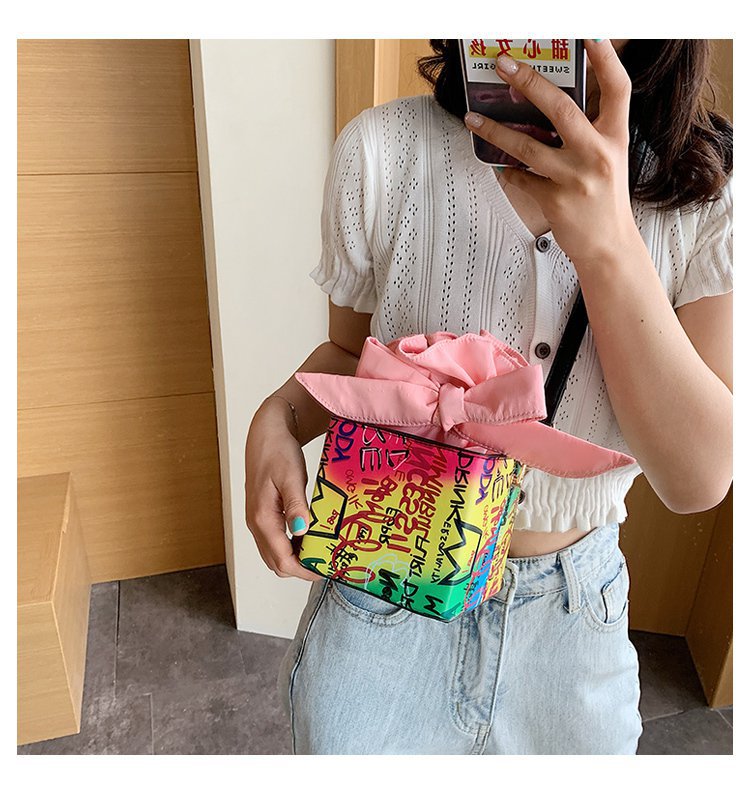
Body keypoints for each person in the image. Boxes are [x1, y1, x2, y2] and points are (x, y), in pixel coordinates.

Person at [245, 39, 733, 754]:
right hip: (384, 580)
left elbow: (698, 479)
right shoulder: (383, 151)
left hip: (570, 627)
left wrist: (609, 246)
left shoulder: (706, 193)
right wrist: (277, 417)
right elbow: (352, 356)